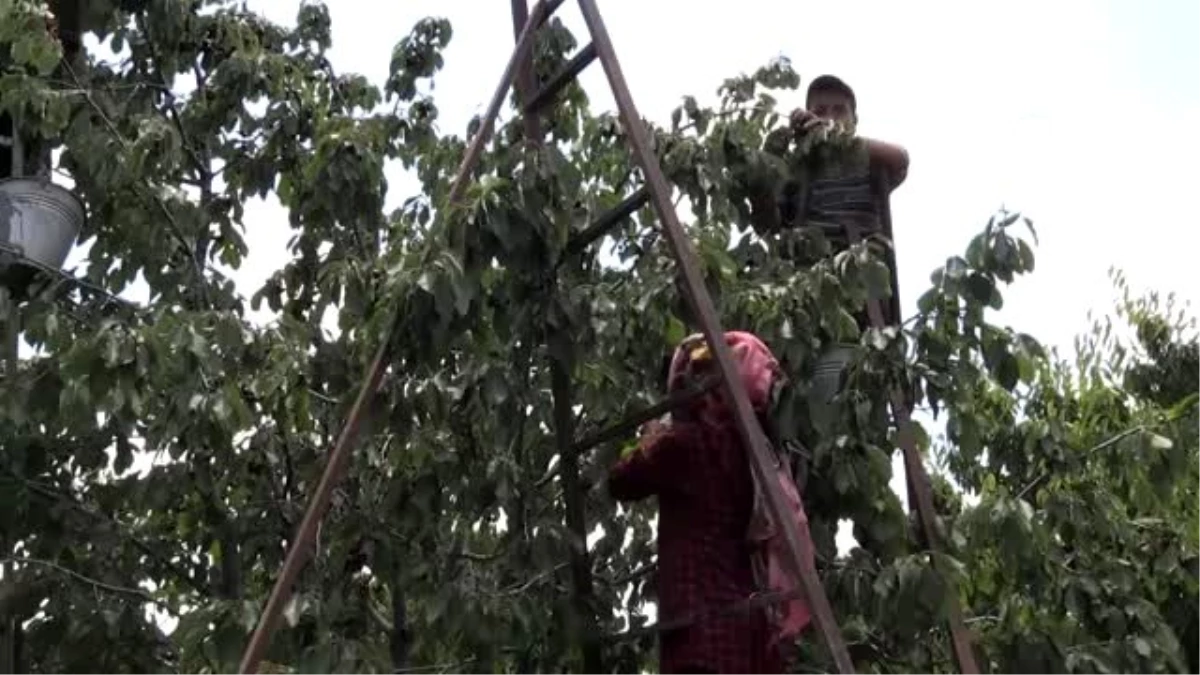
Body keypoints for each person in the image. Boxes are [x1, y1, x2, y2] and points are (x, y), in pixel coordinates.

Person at [607, 331, 813, 675]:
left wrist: (650, 436)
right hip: (746, 633)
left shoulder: (684, 444)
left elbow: (621, 481)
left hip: (698, 634)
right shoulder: (758, 456)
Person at [789, 74, 908, 327]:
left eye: (839, 111)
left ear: (854, 120)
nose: (829, 117)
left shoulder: (868, 162)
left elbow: (900, 158)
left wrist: (834, 136)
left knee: (865, 353)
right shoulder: (797, 170)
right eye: (820, 111)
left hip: (864, 284)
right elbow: (770, 220)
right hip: (809, 285)